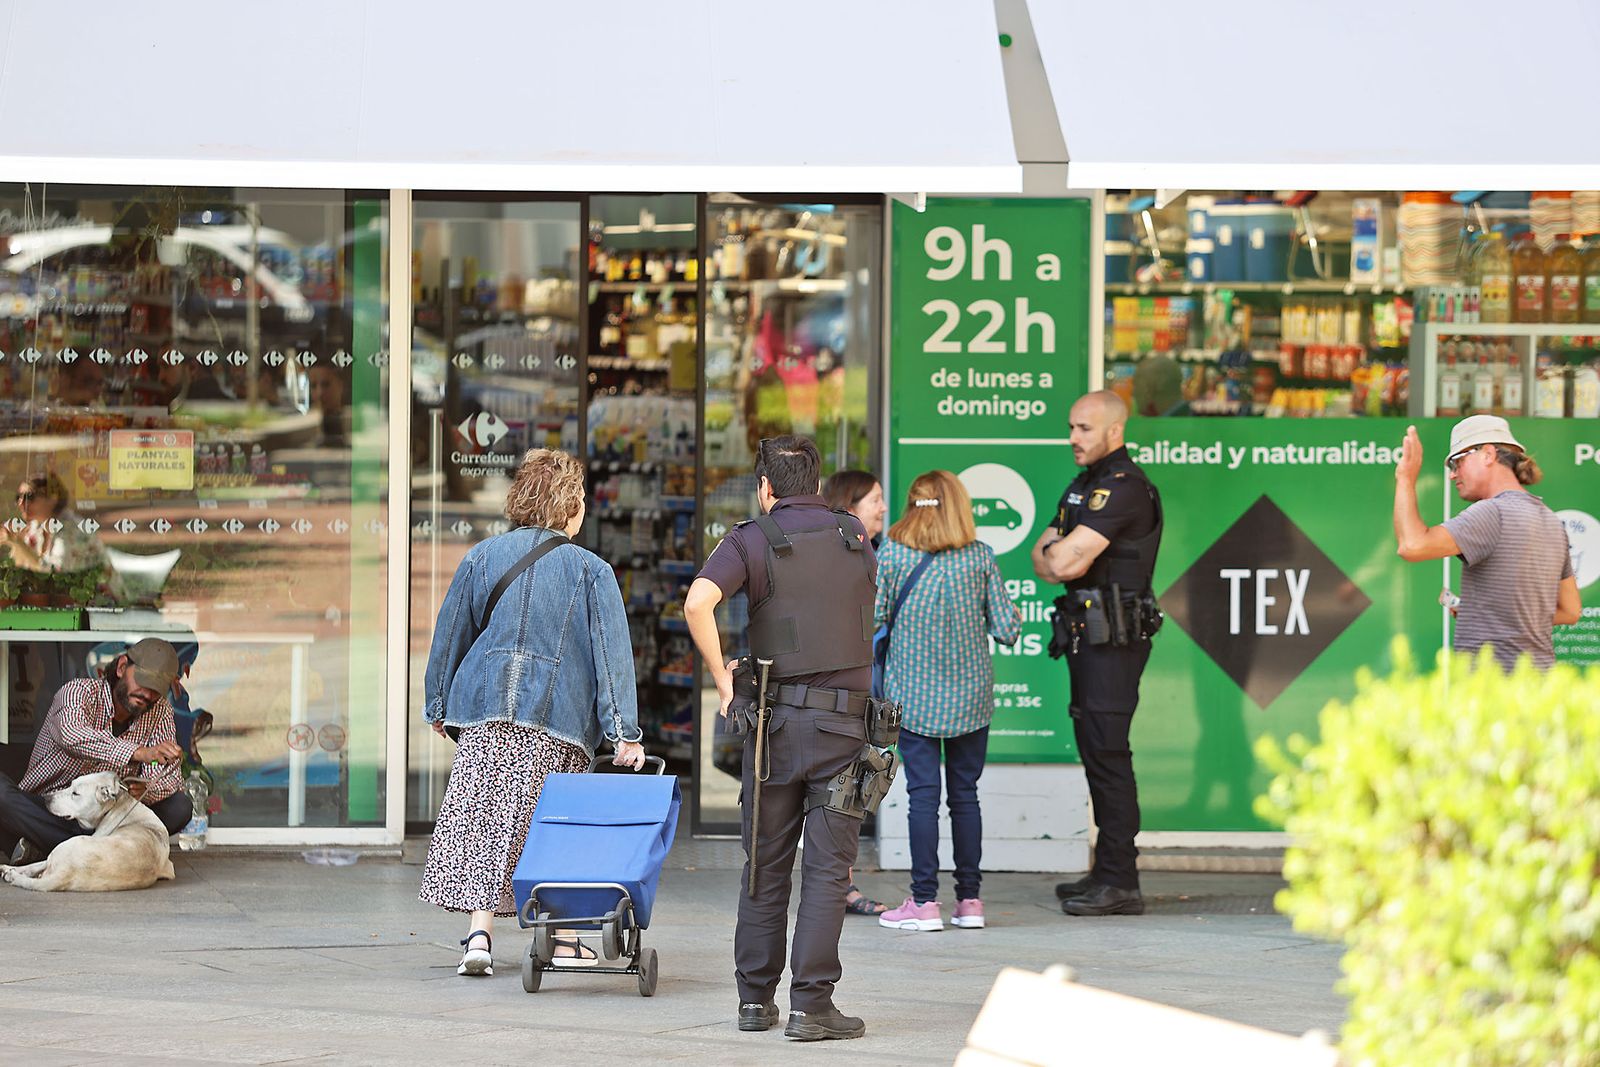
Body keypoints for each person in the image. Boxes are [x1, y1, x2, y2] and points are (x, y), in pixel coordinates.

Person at [419, 448, 646, 978]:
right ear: (569, 504)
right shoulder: (592, 571)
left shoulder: (481, 557)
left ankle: (479, 937)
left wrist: (438, 703)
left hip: (485, 711)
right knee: (550, 828)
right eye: (581, 497)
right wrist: (624, 733)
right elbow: (612, 657)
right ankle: (561, 938)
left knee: (486, 821)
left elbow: (450, 636)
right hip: (557, 718)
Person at [683, 435, 878, 1041]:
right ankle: (811, 1007)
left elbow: (697, 603)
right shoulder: (854, 534)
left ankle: (754, 1001)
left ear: (764, 488)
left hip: (774, 730)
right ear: (815, 484)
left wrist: (723, 681)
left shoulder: (751, 539)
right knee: (828, 872)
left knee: (764, 866)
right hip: (845, 728)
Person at [1032, 390, 1163, 917]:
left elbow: (1063, 563)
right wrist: (1061, 554)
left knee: (1109, 753)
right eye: (1071, 427)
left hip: (1115, 640)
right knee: (1094, 749)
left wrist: (1063, 554)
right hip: (1088, 636)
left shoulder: (1123, 487)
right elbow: (1041, 558)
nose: (1073, 437)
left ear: (1114, 430)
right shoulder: (1083, 485)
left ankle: (1121, 879)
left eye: (1083, 428)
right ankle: (1107, 870)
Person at [875, 470, 1020, 933]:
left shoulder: (892, 554)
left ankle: (923, 903)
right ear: (959, 506)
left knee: (922, 798)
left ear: (912, 504)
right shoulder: (980, 557)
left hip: (913, 697)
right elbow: (1008, 629)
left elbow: (873, 618)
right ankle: (970, 902)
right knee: (965, 796)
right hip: (970, 700)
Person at [1393, 416, 1579, 671]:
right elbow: (1570, 611)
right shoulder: (1550, 520)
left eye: (1457, 461)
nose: (1453, 474)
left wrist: (1405, 478)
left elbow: (1412, 545)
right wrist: (1484, 614)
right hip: (1540, 682)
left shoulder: (1492, 512)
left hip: (1492, 683)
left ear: (1488, 454)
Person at [0, 638, 190, 863]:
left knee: (180, 807)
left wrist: (146, 788)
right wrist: (137, 753)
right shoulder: (78, 691)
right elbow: (70, 734)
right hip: (50, 808)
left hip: (108, 820)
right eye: (144, 682)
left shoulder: (159, 711)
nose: (148, 695)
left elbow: (169, 778)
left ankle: (49, 849)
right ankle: (90, 853)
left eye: (156, 690)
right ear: (122, 667)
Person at [821, 467, 890, 918]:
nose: (883, 508)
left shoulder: (876, 551)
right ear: (850, 507)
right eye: (875, 500)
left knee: (857, 785)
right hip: (839, 689)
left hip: (868, 683)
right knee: (841, 787)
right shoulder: (837, 554)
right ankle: (838, 886)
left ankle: (839, 882)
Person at [1, 473, 106, 573]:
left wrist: (19, 543)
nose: (21, 503)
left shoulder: (73, 531)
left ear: (53, 497)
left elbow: (52, 576)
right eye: (18, 498)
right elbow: (24, 566)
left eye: (29, 496)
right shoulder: (36, 526)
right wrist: (12, 541)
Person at [823, 469, 888, 545]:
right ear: (849, 510)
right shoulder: (831, 549)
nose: (884, 508)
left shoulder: (876, 548)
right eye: (875, 500)